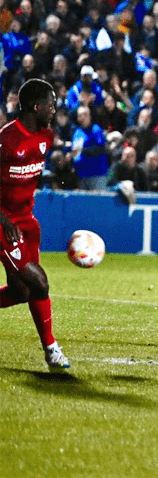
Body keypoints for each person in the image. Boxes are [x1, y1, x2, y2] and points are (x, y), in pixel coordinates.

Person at [0, 78, 69, 369]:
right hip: (3, 223)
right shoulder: (6, 139)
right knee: (40, 283)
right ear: (35, 106)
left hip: (26, 221)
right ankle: (52, 349)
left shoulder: (47, 137)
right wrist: (3, 219)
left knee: (21, 292)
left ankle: (51, 350)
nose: (55, 109)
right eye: (51, 104)